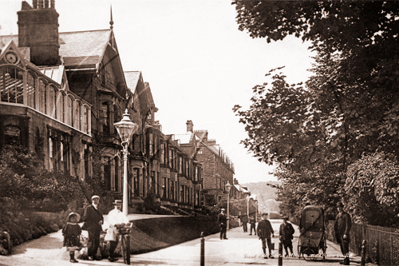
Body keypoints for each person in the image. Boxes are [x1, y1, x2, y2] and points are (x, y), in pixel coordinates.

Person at [82, 195, 104, 260]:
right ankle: (89, 255)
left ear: (99, 200)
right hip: (91, 227)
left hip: (98, 227)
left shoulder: (99, 208)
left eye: (97, 199)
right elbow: (85, 218)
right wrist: (95, 221)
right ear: (92, 200)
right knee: (91, 240)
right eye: (94, 199)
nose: (96, 201)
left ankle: (94, 254)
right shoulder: (88, 208)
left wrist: (102, 221)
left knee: (97, 241)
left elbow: (101, 217)